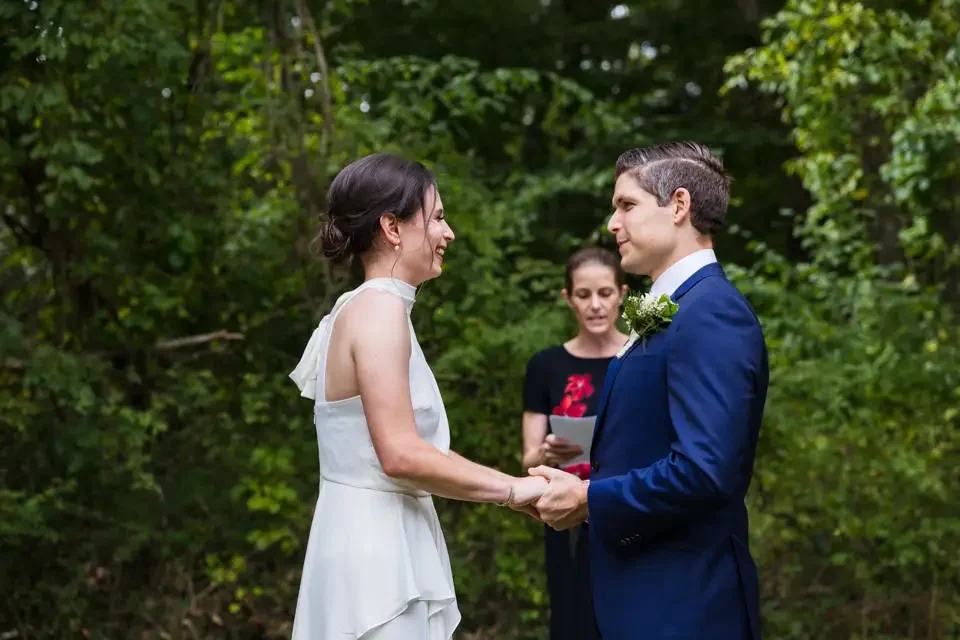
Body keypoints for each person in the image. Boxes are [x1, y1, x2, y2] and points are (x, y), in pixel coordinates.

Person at [288, 152, 547, 640]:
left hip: (371, 536)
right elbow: (402, 454)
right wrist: (513, 490)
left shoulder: (361, 308)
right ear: (392, 227)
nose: (447, 234)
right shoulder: (379, 312)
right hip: (376, 555)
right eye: (438, 218)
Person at [529, 141, 769, 640]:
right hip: (639, 597)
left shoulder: (712, 313)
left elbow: (704, 471)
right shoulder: (677, 307)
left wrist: (591, 498)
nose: (613, 224)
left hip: (684, 604)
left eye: (626, 205)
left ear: (678, 206)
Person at [521, 247, 627, 640]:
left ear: (622, 293)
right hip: (567, 519)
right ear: (568, 299)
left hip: (628, 509)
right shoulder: (546, 365)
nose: (596, 305)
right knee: (573, 620)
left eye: (605, 293)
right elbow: (529, 456)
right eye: (584, 295)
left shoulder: (641, 356)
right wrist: (548, 451)